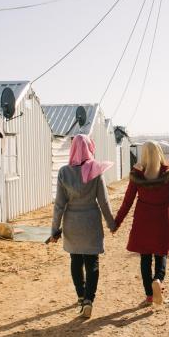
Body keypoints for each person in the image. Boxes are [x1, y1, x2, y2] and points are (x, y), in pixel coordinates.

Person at [50, 134, 116, 318]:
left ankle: (80, 295)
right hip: (91, 223)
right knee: (92, 262)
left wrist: (54, 230)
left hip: (72, 223)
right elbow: (104, 202)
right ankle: (89, 300)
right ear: (89, 148)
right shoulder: (95, 170)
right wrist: (112, 224)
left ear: (72, 149)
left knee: (76, 261)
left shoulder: (64, 172)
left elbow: (59, 205)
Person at [114, 141, 169, 305]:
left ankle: (149, 295)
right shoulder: (167, 174)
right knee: (161, 253)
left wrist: (117, 222)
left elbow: (127, 202)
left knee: (145, 257)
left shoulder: (137, 175)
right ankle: (158, 280)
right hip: (162, 219)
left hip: (143, 220)